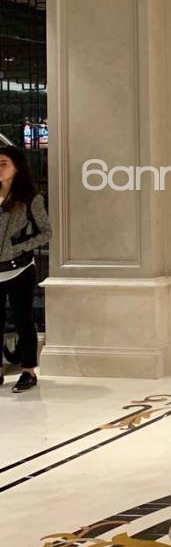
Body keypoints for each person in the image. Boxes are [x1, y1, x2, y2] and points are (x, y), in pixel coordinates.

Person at [0, 146, 51, 392]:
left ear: (17, 167)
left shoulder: (31, 199)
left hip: (19, 269)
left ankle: (28, 370)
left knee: (24, 319)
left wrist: (18, 247)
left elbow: (46, 232)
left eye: (4, 163)